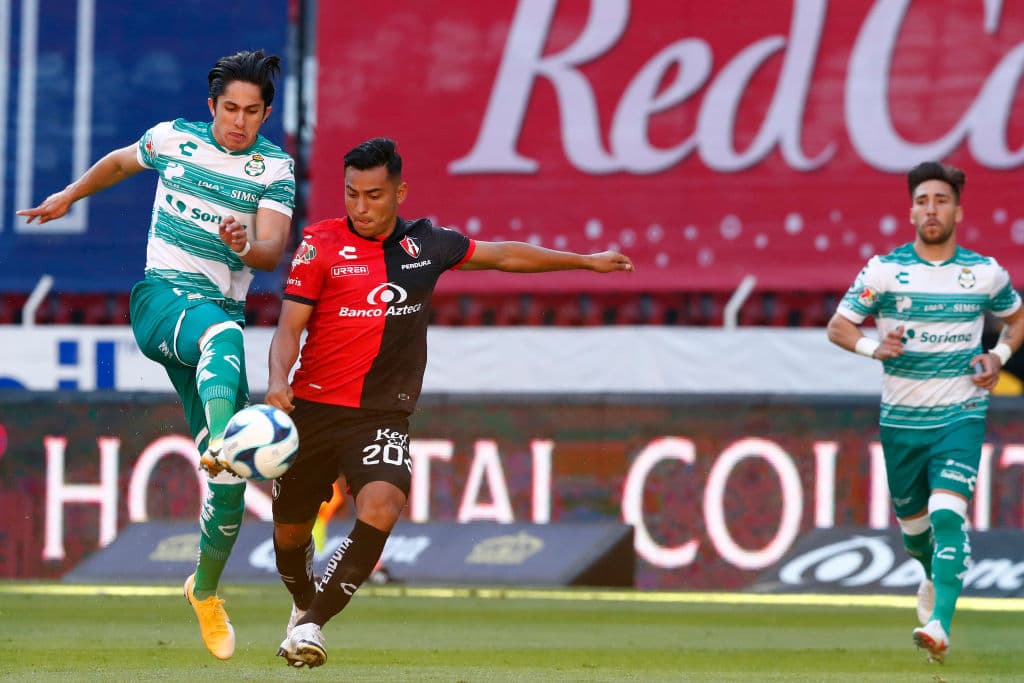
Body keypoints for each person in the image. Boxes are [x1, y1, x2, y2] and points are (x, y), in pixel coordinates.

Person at [265, 136, 634, 668]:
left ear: (399, 192)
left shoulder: (428, 245)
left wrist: (584, 261)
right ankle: (303, 602)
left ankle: (313, 625)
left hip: (380, 415)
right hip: (313, 410)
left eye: (374, 195)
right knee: (289, 537)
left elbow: (504, 254)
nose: (361, 208)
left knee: (383, 503)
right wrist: (279, 379)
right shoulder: (320, 245)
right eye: (351, 195)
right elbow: (288, 328)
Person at [17, 50, 295, 661]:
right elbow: (120, 162)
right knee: (224, 357)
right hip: (163, 303)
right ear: (211, 107)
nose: (239, 122)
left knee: (230, 486)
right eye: (230, 109)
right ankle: (222, 445)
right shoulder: (174, 139)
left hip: (216, 321)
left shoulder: (274, 168)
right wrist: (70, 194)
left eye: (252, 112)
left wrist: (246, 246)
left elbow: (272, 252)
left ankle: (206, 590)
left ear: (266, 114)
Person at [826, 161, 1024, 664]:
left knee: (947, 515)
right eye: (922, 201)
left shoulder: (983, 273)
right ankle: (932, 572)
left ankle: (940, 626)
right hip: (901, 421)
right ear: (911, 211)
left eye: (940, 200)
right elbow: (839, 327)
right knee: (916, 533)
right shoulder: (885, 271)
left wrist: (996, 357)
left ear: (958, 209)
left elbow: (1016, 320)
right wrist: (876, 348)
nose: (931, 209)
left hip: (961, 411)